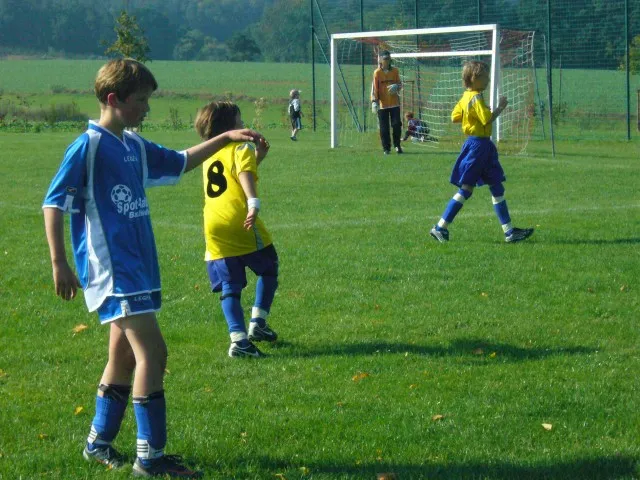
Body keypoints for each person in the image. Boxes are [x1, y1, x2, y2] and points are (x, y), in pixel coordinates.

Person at [42, 58, 263, 478]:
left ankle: (98, 443)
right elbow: (54, 203)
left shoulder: (132, 144)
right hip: (114, 269)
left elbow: (180, 161)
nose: (147, 108)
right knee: (154, 354)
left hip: (138, 265)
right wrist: (59, 262)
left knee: (124, 355)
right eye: (141, 100)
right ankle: (150, 457)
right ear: (114, 99)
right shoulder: (89, 145)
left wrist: (227, 137)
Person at [194, 101, 279, 359]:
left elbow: (236, 174)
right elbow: (243, 173)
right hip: (239, 219)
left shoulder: (208, 154)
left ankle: (239, 340)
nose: (243, 126)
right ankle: (258, 322)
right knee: (269, 267)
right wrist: (253, 203)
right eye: (240, 122)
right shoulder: (241, 147)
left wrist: (258, 158)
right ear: (229, 127)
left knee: (229, 285)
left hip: (213, 225)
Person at [429, 60, 534, 244]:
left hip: (480, 145)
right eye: (485, 77)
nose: (488, 80)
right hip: (478, 147)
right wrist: (500, 107)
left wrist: (471, 116)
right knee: (466, 189)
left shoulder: (465, 97)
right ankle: (440, 228)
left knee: (496, 186)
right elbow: (487, 119)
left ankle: (510, 232)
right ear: (474, 78)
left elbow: (455, 117)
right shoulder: (476, 97)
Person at [371, 50, 403, 155]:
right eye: (385, 59)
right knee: (384, 128)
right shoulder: (377, 73)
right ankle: (386, 148)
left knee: (396, 125)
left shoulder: (395, 71)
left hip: (394, 103)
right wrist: (374, 101)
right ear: (381, 60)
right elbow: (374, 88)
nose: (387, 61)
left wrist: (397, 86)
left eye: (388, 59)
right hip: (382, 105)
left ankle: (397, 145)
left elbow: (400, 84)